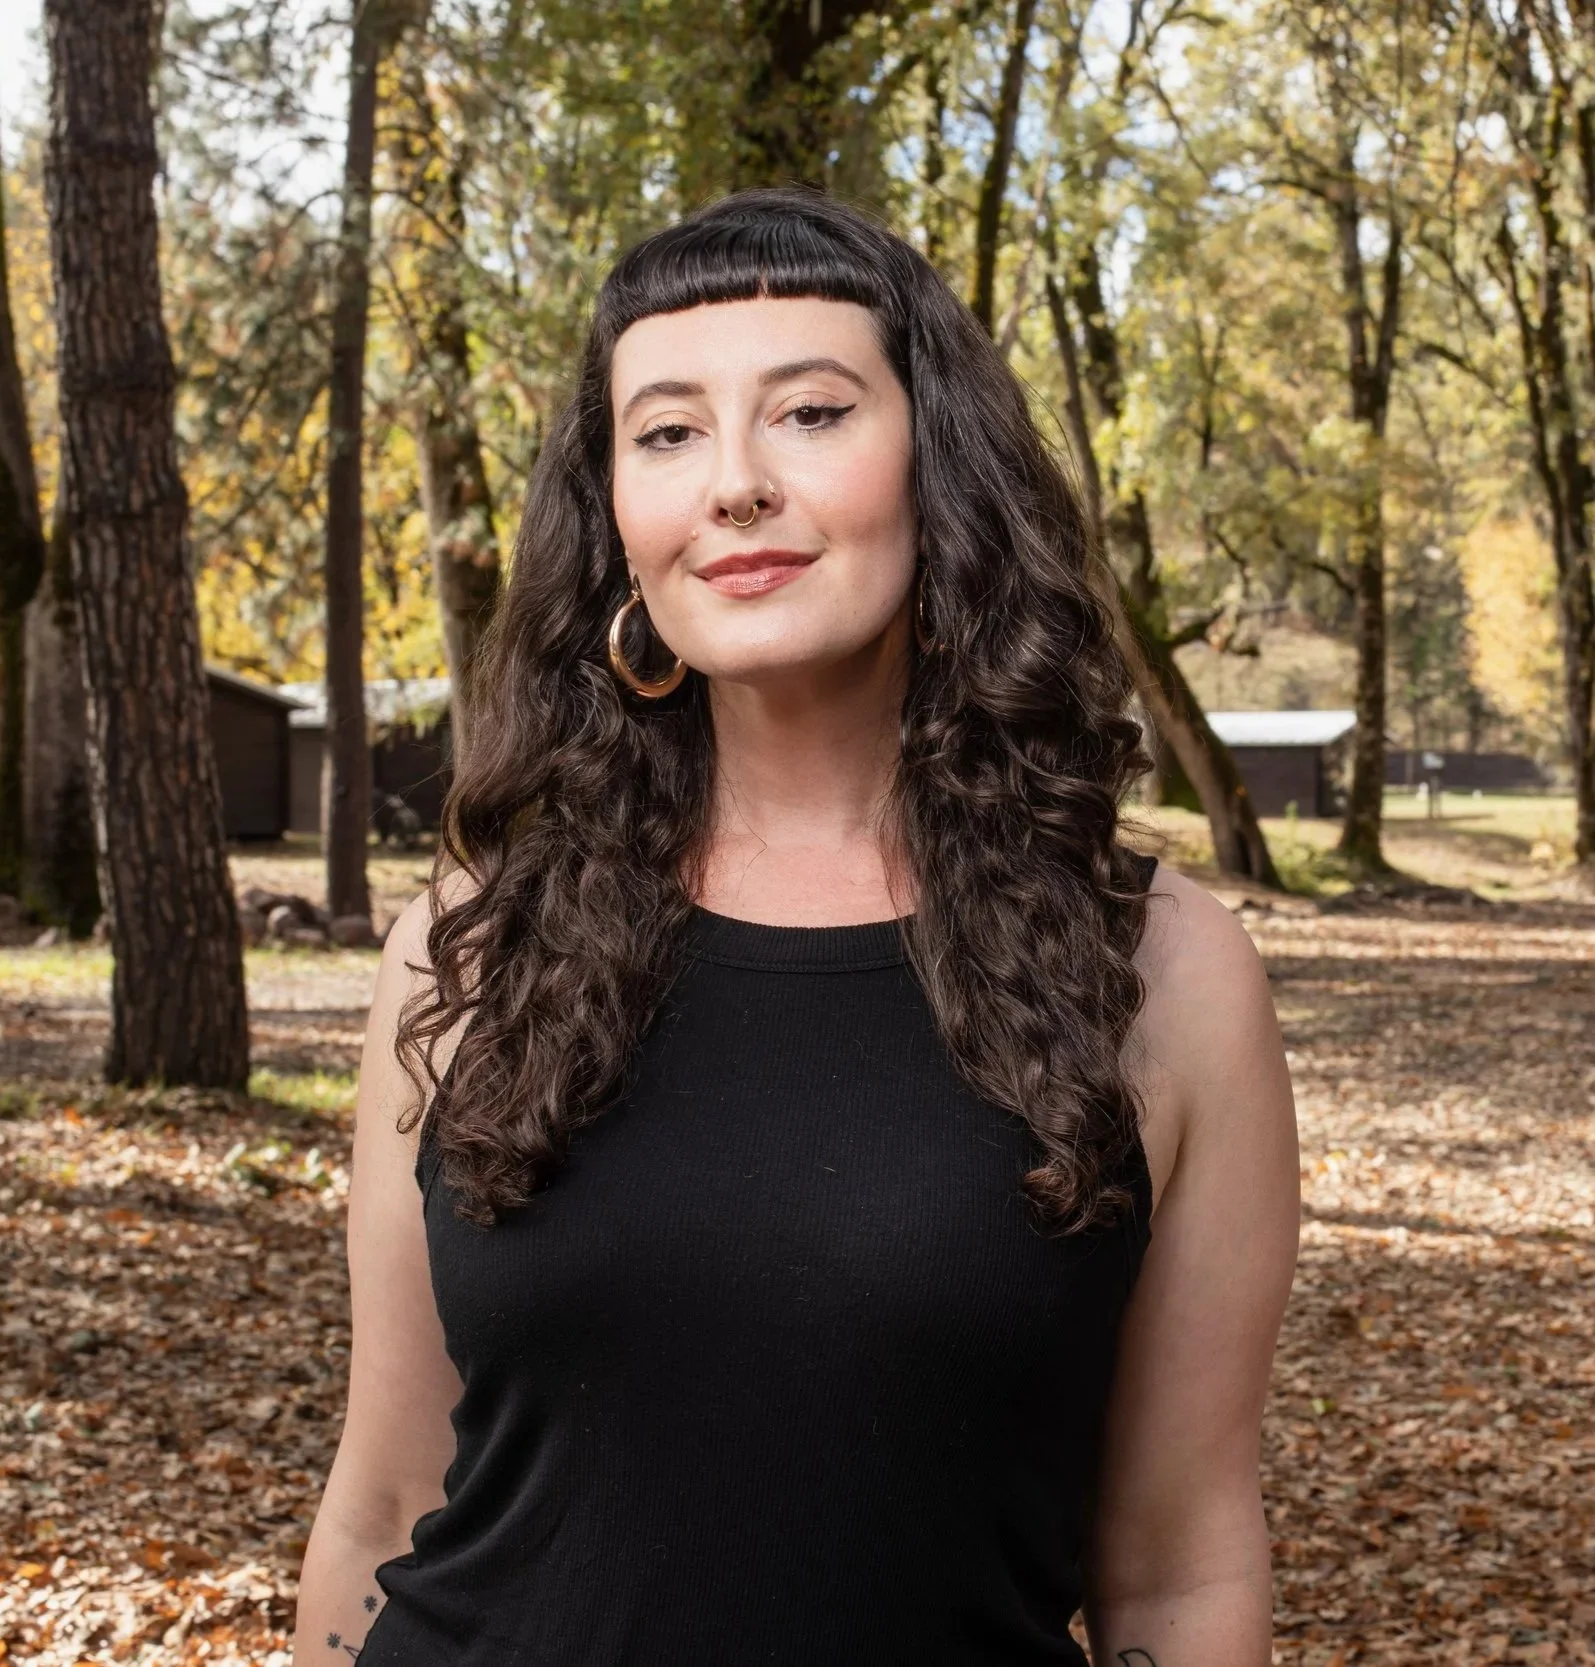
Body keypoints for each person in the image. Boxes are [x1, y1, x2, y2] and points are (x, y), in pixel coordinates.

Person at [294, 187, 1299, 1667]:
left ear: (935, 470)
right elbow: (382, 1503)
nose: (735, 483)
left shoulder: (1160, 971)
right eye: (667, 431)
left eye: (811, 412)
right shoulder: (468, 948)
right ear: (616, 510)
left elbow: (1177, 1567)